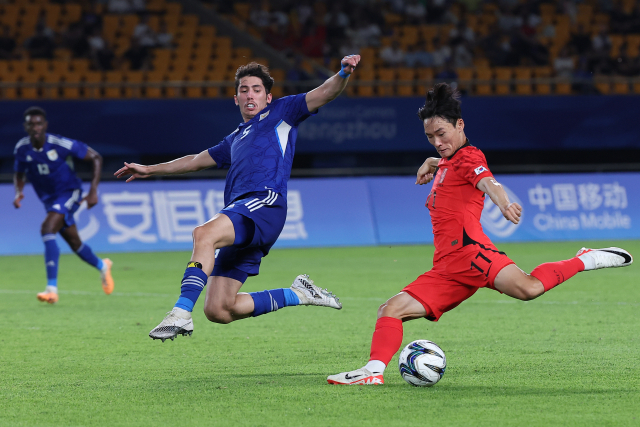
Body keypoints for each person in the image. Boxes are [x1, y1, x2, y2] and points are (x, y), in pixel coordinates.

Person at [327, 83, 633, 385]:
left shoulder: (470, 156)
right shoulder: (447, 161)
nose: (436, 141)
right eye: (430, 137)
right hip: (446, 267)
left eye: (441, 134)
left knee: (529, 289)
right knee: (390, 309)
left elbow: (487, 181)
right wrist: (432, 162)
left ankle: (585, 259)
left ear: (460, 125)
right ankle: (372, 371)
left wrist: (503, 203)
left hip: (473, 255)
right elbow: (448, 164)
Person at [115, 56, 361, 342]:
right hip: (243, 213)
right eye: (244, 90)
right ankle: (297, 294)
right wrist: (150, 169)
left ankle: (180, 313)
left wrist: (343, 73)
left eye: (256, 89)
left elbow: (324, 93)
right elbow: (195, 160)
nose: (250, 95)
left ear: (268, 97)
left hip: (264, 203)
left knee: (203, 234)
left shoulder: (283, 112)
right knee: (219, 308)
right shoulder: (234, 138)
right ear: (236, 99)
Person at [13, 107, 115, 304]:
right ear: (25, 126)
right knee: (74, 243)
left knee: (47, 229)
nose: (35, 127)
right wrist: (19, 192)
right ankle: (103, 266)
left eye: (39, 123)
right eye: (31, 124)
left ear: (45, 126)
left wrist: (93, 191)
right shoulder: (22, 149)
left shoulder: (59, 144)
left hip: (69, 192)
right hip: (49, 200)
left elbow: (96, 157)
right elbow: (19, 172)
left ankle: (51, 289)